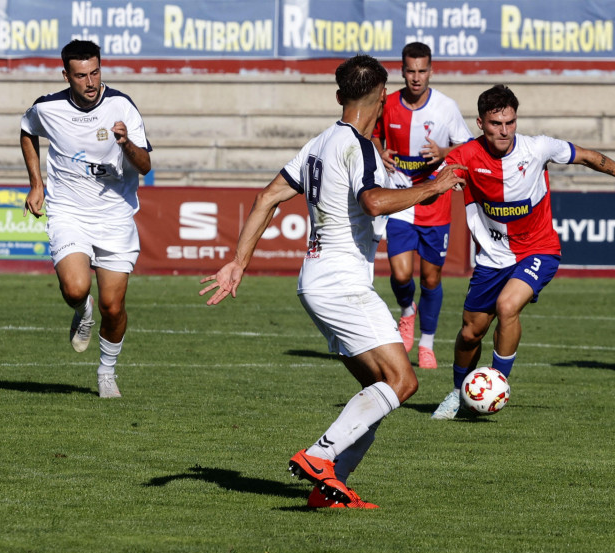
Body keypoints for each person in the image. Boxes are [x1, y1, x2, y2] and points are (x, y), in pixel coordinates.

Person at [199, 55, 466, 508]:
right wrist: (433, 188)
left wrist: (238, 263)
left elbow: (267, 197)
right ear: (384, 94)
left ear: (339, 96)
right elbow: (375, 202)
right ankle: (320, 457)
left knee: (379, 392)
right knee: (403, 383)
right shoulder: (357, 148)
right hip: (343, 284)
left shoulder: (320, 143)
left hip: (316, 282)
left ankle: (328, 490)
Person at [431, 84, 615, 420]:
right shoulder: (465, 155)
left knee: (507, 306)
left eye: (510, 122)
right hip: (493, 257)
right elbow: (437, 183)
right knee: (470, 333)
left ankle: (495, 387)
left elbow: (588, 156)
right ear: (480, 124)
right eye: (496, 124)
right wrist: (433, 187)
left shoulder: (537, 148)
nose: (505, 130)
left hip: (539, 249)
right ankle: (457, 392)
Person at [20, 40, 152, 399]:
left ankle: (106, 372)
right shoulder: (47, 107)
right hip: (69, 212)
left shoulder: (121, 105)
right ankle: (82, 308)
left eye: (95, 72)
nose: (91, 82)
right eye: (81, 75)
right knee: (77, 288)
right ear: (67, 75)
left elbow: (146, 165)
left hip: (114, 216)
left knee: (114, 306)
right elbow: (27, 131)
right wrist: (36, 185)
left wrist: (125, 144)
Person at [371, 42, 474, 369]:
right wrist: (379, 150)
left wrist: (444, 153)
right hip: (400, 198)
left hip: (434, 200)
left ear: (431, 71)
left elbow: (469, 145)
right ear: (402, 71)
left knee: (431, 278)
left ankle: (426, 345)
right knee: (401, 274)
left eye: (422, 71)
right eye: (411, 71)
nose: (416, 78)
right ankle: (406, 313)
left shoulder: (445, 107)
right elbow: (372, 134)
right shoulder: (387, 104)